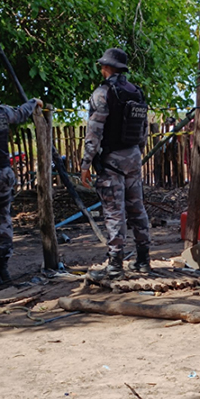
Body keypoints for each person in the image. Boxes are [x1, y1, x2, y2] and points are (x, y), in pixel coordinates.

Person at [80, 48, 151, 281]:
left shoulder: (103, 94)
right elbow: (143, 129)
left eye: (102, 66)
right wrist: (136, 153)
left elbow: (94, 131)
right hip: (132, 158)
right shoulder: (136, 93)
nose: (101, 70)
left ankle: (115, 265)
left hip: (111, 161)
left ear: (107, 68)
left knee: (114, 212)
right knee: (137, 208)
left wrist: (85, 163)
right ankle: (143, 260)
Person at [0, 78, 43, 291]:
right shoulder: (0, 111)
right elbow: (20, 112)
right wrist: (34, 102)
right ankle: (3, 268)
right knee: (4, 221)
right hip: (4, 174)